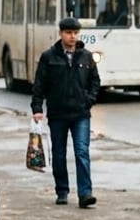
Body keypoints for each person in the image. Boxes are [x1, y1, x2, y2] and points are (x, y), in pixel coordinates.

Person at [31, 17, 101, 208]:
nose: (72, 36)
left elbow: (95, 82)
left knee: (81, 152)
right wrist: (37, 108)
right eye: (69, 33)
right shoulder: (49, 57)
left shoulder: (86, 56)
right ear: (61, 33)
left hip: (80, 113)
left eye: (75, 33)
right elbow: (40, 84)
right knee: (59, 154)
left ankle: (85, 193)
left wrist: (88, 100)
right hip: (58, 113)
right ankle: (62, 190)